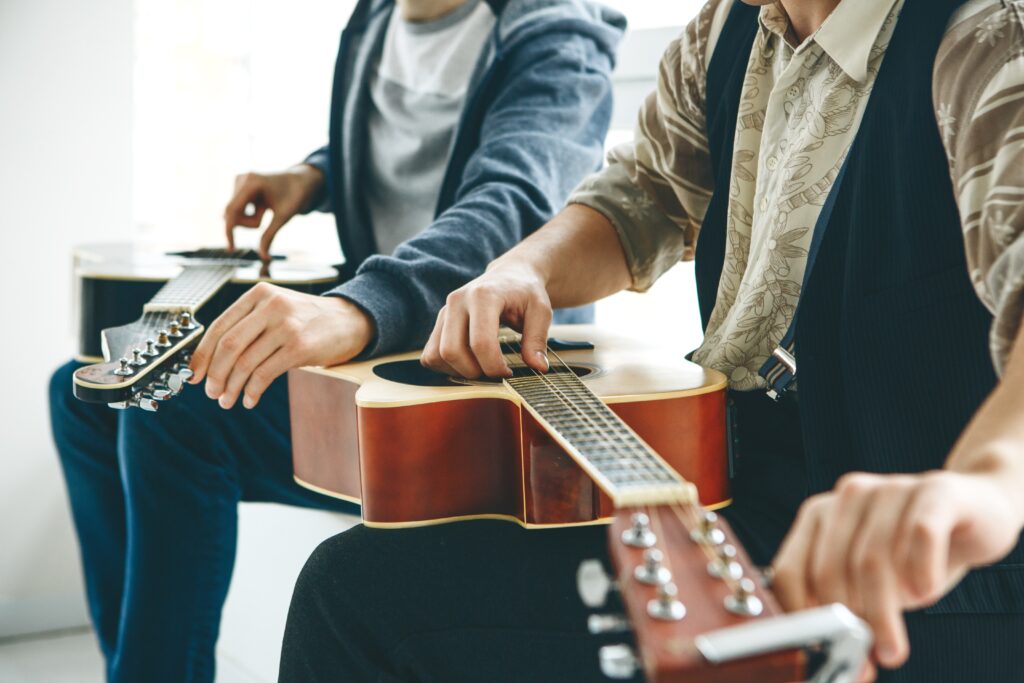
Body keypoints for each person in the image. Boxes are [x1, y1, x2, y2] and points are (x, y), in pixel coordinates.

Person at [279, 0, 1024, 680]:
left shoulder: (989, 33)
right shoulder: (729, 26)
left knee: (353, 597)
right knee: (375, 573)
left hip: (921, 573)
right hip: (730, 482)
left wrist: (986, 483)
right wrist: (523, 269)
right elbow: (646, 194)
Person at [48, 0, 624, 678]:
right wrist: (314, 176)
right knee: (83, 394)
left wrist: (355, 307)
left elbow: (512, 202)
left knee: (167, 410)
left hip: (478, 385)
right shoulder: (378, 16)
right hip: (382, 345)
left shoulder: (559, 31)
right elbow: (413, 139)